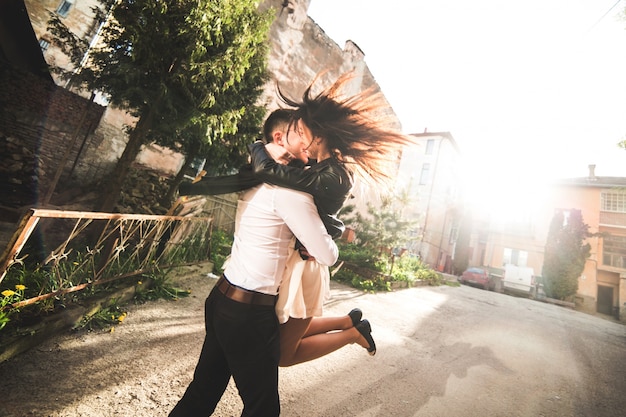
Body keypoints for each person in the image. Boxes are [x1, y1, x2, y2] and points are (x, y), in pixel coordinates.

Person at [168, 119, 339, 416]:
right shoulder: (290, 193)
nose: (307, 142)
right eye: (299, 133)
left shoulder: (252, 180)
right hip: (248, 315)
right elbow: (328, 255)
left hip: (222, 298)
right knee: (263, 409)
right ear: (279, 138)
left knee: (202, 393)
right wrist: (324, 241)